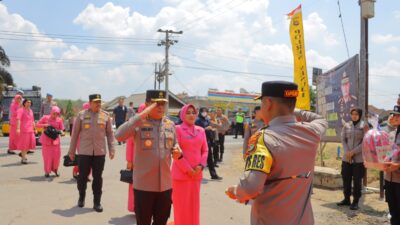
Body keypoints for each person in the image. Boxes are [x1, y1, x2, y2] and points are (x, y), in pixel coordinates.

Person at [225, 81, 327, 225]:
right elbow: (320, 119)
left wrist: (237, 191)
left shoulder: (263, 138)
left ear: (268, 103)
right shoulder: (311, 132)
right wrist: (291, 108)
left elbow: (250, 187)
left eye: (261, 103)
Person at [115, 90, 182, 225]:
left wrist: (178, 151)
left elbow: (175, 145)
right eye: (156, 104)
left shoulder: (170, 125)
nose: (160, 107)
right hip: (144, 187)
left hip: (165, 187)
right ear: (147, 104)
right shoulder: (138, 123)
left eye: (163, 104)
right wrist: (141, 115)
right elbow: (119, 135)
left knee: (161, 222)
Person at [68, 94, 115, 213]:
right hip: (84, 151)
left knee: (98, 177)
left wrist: (112, 149)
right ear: (90, 103)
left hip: (99, 152)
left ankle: (97, 201)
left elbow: (110, 134)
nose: (98, 104)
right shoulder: (81, 115)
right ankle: (81, 196)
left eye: (99, 102)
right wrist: (72, 151)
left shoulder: (105, 116)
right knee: (82, 177)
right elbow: (75, 134)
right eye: (96, 102)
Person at [172, 104, 208, 225]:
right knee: (181, 207)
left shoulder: (201, 130)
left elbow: (205, 150)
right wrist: (188, 169)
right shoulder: (177, 129)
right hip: (181, 175)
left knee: (194, 206)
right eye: (188, 112)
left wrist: (201, 166)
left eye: (193, 112)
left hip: (196, 175)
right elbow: (175, 153)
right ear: (182, 115)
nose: (191, 115)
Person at [336, 107, 366, 210]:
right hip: (346, 158)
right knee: (346, 178)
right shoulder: (347, 125)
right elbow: (343, 139)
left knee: (357, 180)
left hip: (358, 159)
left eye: (356, 114)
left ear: (360, 115)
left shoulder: (364, 126)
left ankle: (356, 201)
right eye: (352, 114)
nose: (354, 116)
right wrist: (347, 152)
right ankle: (346, 199)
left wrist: (353, 152)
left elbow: (365, 142)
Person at [125, 103, 145, 213]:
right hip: (135, 161)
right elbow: (129, 144)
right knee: (134, 184)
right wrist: (129, 161)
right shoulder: (134, 125)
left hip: (147, 162)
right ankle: (135, 206)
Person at [382, 105, 400, 225]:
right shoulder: (392, 133)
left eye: (398, 115)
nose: (395, 117)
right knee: (393, 211)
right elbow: (389, 151)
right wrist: (384, 160)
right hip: (389, 178)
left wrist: (398, 165)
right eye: (394, 114)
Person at [37, 106, 64, 177]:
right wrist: (45, 125)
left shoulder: (59, 120)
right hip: (46, 141)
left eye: (57, 114)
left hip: (55, 141)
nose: (55, 115)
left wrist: (62, 132)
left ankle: (56, 170)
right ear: (51, 112)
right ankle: (47, 171)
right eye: (54, 113)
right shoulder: (45, 117)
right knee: (47, 157)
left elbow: (61, 129)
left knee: (56, 157)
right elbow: (37, 125)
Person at [195, 107, 222, 180]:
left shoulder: (207, 119)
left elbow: (209, 127)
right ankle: (196, 174)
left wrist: (211, 129)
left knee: (210, 158)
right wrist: (205, 129)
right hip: (199, 142)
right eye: (203, 111)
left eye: (206, 111)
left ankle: (214, 175)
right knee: (199, 159)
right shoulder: (197, 120)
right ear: (200, 112)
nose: (204, 113)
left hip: (207, 141)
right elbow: (196, 131)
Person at [72, 102, 90, 180]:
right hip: (81, 141)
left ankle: (87, 175)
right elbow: (74, 132)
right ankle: (76, 170)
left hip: (90, 141)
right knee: (82, 158)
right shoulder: (78, 118)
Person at [16, 99, 37, 164]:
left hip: (30, 130)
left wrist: (35, 128)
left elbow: (33, 120)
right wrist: (18, 128)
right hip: (24, 130)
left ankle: (22, 154)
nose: (29, 104)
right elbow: (18, 119)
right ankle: (23, 158)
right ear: (24, 103)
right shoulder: (20, 110)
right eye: (27, 102)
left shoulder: (31, 111)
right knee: (24, 144)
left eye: (30, 103)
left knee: (31, 143)